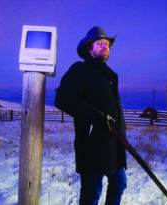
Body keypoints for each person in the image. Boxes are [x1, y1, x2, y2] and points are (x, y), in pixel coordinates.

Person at [55, 26, 127, 205]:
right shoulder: (81, 70)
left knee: (119, 183)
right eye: (100, 43)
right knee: (92, 194)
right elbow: (63, 99)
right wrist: (96, 117)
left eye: (108, 44)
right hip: (93, 144)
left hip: (115, 143)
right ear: (89, 48)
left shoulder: (108, 75)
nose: (106, 46)